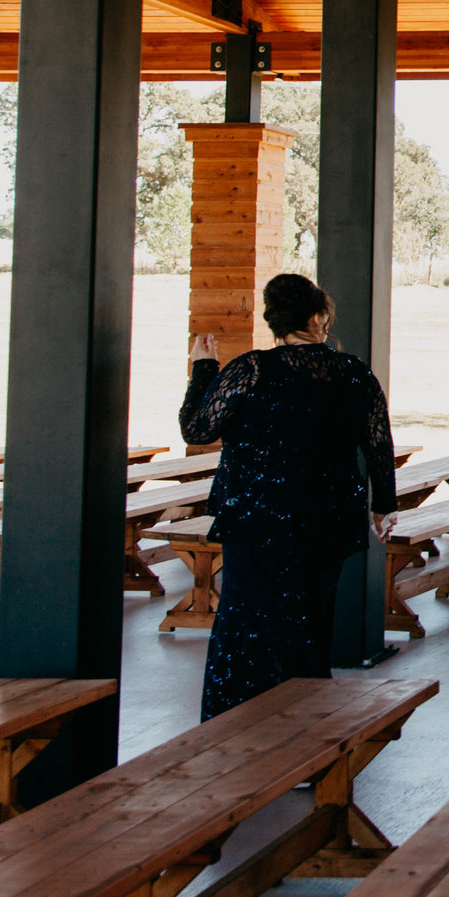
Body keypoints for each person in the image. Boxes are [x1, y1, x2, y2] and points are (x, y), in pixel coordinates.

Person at [180, 273, 396, 721]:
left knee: (244, 622)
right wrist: (384, 506)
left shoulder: (250, 368)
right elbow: (378, 442)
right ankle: (300, 732)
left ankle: (231, 727)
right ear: (319, 318)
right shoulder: (355, 372)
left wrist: (202, 369)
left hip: (257, 517)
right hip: (328, 517)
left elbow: (197, 429)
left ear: (277, 321)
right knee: (309, 623)